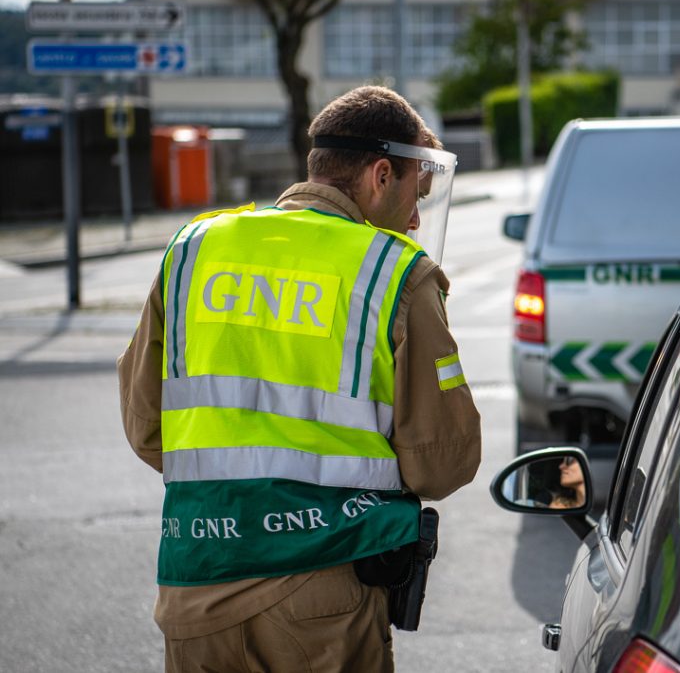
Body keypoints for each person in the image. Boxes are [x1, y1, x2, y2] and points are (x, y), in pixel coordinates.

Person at [117, 85, 481, 673]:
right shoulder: (395, 274)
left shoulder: (193, 249)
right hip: (325, 596)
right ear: (380, 175)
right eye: (417, 193)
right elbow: (441, 465)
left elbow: (146, 429)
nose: (416, 218)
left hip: (196, 584)